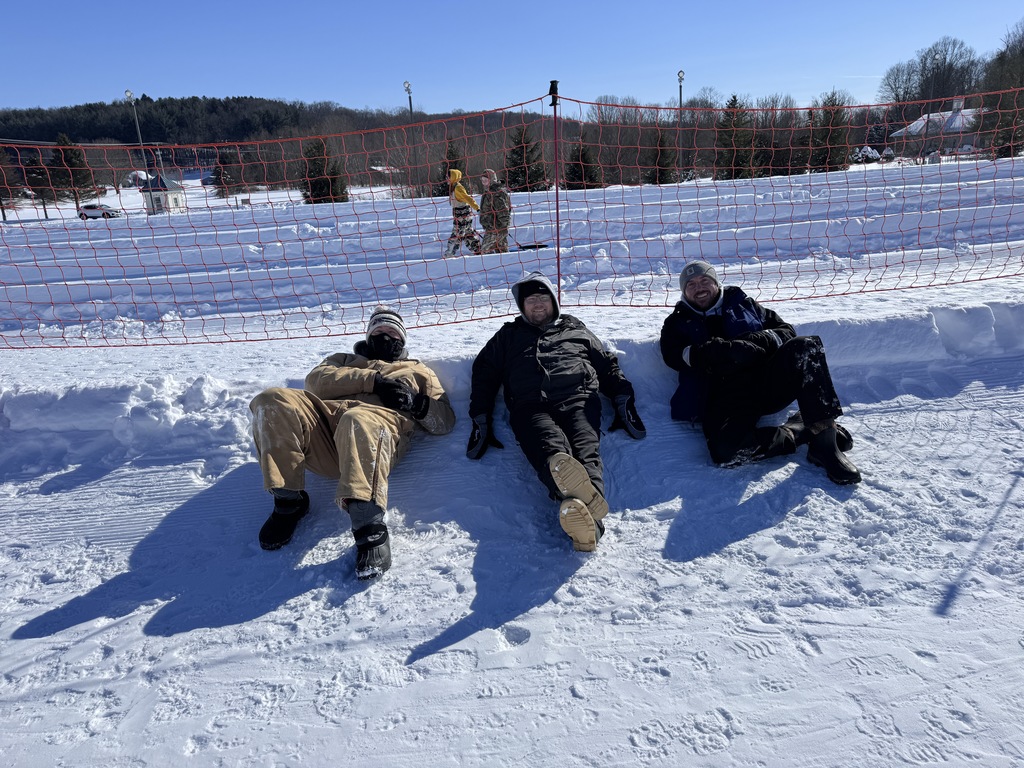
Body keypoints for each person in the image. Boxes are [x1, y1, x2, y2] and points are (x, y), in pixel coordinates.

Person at [249, 306, 456, 579]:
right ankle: (289, 501)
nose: (385, 336)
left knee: (358, 417)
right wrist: (373, 381)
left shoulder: (417, 370)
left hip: (376, 435)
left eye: (392, 332)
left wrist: (417, 404)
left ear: (403, 340)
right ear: (368, 336)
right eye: (379, 331)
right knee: (272, 400)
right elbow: (316, 383)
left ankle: (370, 528)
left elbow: (445, 421)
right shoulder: (344, 359)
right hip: (327, 434)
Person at [467, 271, 646, 551]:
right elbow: (484, 373)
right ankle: (591, 521)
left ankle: (581, 515)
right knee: (551, 451)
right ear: (521, 306)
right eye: (530, 300)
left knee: (586, 448)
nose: (537, 304)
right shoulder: (508, 336)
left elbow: (606, 364)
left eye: (543, 298)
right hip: (530, 405)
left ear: (553, 302)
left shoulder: (575, 329)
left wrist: (623, 398)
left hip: (579, 399)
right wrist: (480, 417)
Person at [659, 260, 861, 485]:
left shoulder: (742, 303)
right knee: (726, 453)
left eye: (705, 280)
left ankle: (825, 444)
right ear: (684, 292)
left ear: (716, 283)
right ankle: (798, 431)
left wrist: (759, 340)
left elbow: (785, 331)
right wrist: (713, 352)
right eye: (691, 285)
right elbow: (673, 356)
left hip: (765, 382)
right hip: (723, 396)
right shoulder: (676, 322)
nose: (699, 287)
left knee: (805, 346)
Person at [443, 169, 482, 257]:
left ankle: (449, 253)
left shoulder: (458, 188)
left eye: (448, 177)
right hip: (461, 216)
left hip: (462, 216)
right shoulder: (453, 187)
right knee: (468, 234)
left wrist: (477, 208)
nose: (446, 179)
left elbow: (468, 198)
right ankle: (478, 250)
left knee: (457, 235)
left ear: (453, 177)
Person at [479, 168, 511, 254]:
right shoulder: (489, 191)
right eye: (482, 180)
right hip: (493, 227)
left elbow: (503, 211)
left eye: (486, 180)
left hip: (495, 229)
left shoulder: (496, 193)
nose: (483, 182)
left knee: (485, 252)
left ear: (492, 180)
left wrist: (504, 227)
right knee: (502, 252)